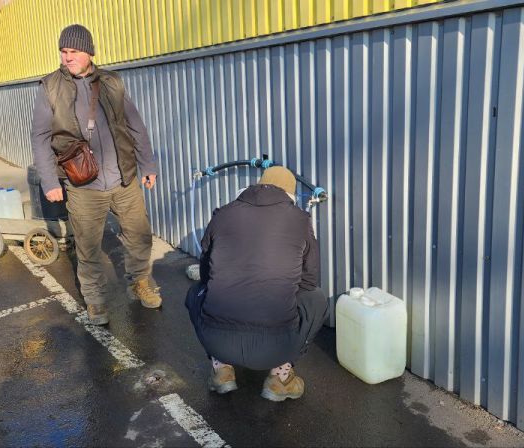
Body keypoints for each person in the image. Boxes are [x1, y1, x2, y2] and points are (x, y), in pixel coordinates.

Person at [31, 24, 161, 325]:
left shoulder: (112, 82)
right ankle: (95, 300)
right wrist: (50, 181)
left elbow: (135, 125)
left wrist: (148, 165)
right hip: (83, 184)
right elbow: (40, 137)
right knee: (88, 247)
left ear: (89, 52)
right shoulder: (50, 87)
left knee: (139, 236)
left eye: (73, 51)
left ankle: (140, 282)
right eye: (63, 52)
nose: (67, 57)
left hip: (124, 179)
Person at [185, 167, 330, 401]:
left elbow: (205, 272)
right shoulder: (300, 220)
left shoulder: (223, 214)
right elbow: (310, 280)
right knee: (318, 299)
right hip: (276, 346)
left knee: (194, 293)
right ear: (289, 194)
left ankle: (221, 368)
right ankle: (281, 377)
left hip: (218, 340)